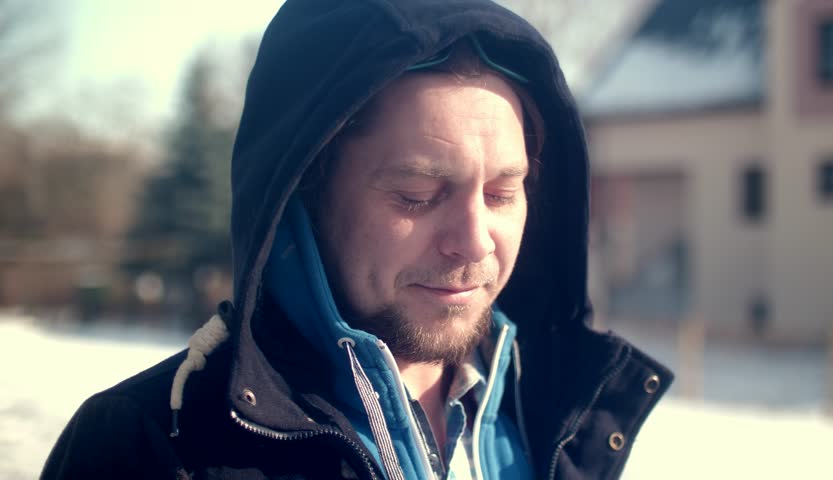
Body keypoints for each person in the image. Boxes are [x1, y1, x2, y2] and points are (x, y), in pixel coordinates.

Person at [42, 1, 673, 479]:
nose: (474, 242)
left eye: (503, 193)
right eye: (418, 197)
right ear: (304, 196)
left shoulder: (561, 415)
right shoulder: (148, 446)